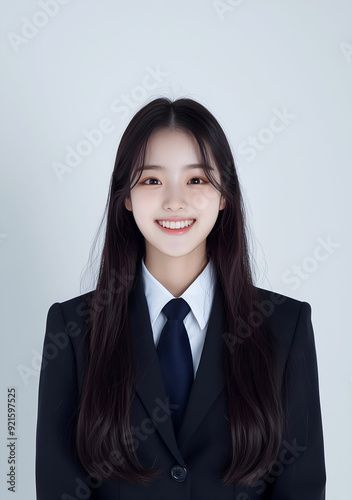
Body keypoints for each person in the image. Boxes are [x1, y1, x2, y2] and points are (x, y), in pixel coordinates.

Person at [35, 98, 326, 499]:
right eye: (152, 180)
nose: (175, 201)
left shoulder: (284, 326)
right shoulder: (73, 329)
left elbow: (301, 488)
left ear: (225, 195)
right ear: (126, 196)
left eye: (197, 180)